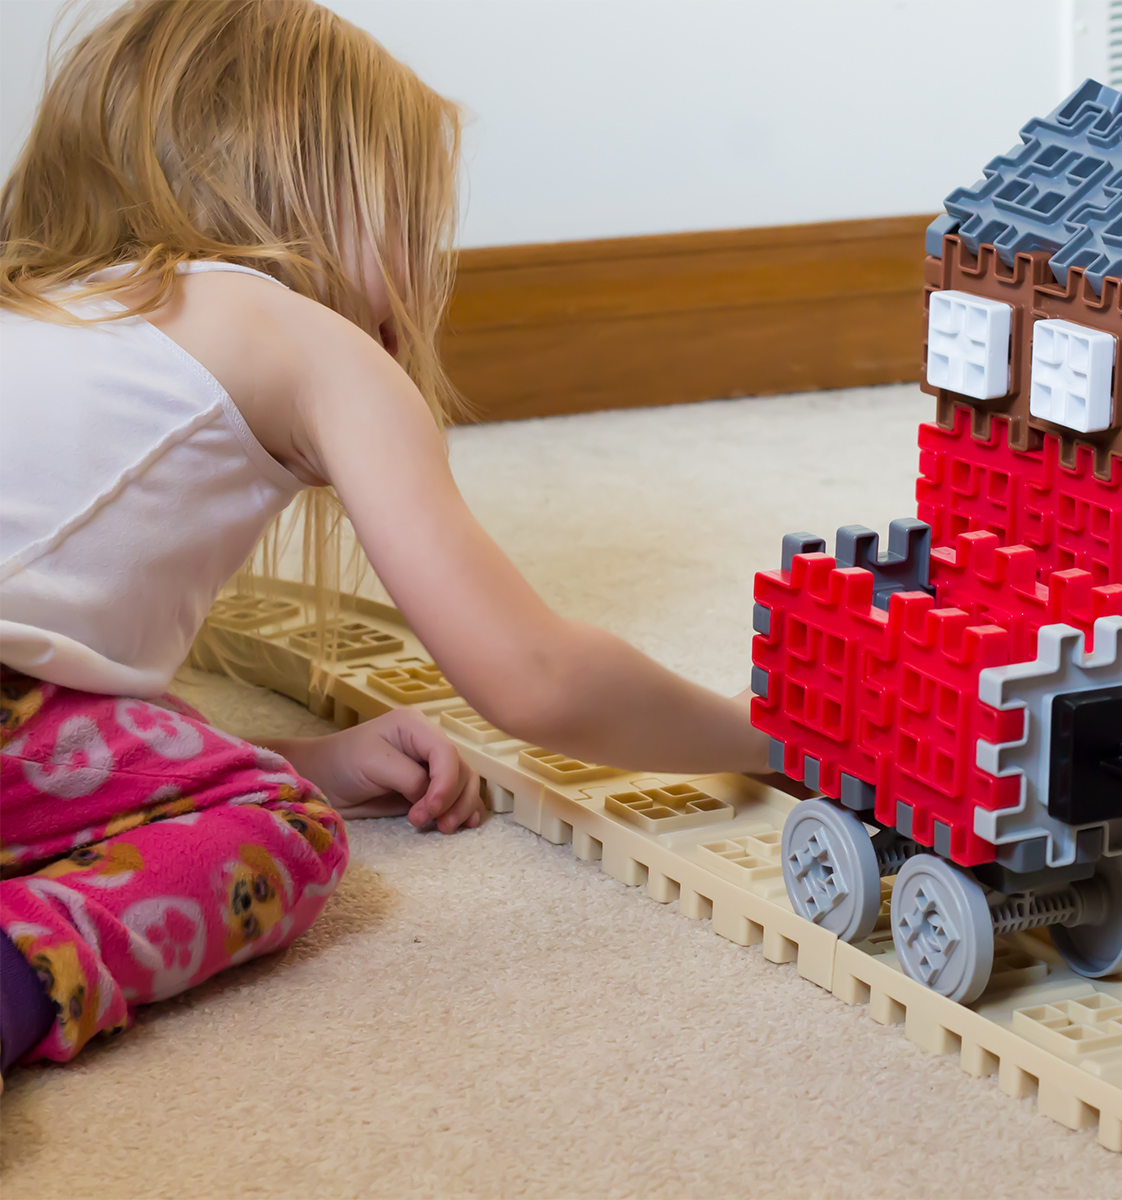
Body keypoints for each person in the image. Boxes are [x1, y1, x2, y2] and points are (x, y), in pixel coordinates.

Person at [0, 0, 767, 1072]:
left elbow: (66, 701)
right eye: (412, 219)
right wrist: (770, 742)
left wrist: (305, 749)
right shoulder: (305, 341)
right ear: (305, 197)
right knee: (278, 830)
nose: (425, 266)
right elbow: (534, 676)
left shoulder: (42, 308)